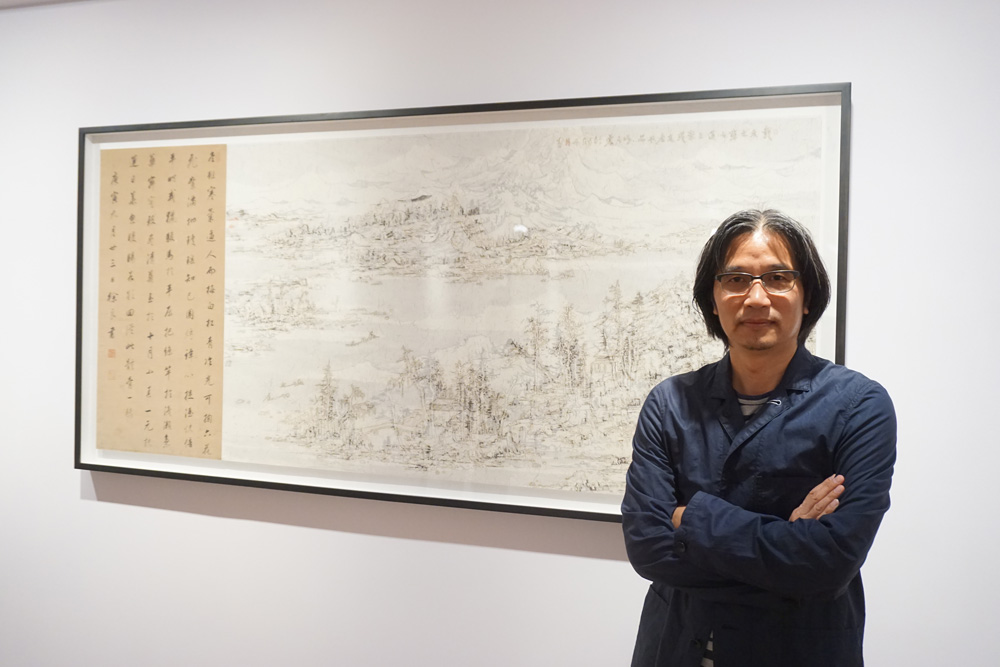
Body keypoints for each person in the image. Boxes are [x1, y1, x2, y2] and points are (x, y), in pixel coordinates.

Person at [621, 209, 896, 667]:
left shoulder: (859, 406)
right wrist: (789, 546)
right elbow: (648, 548)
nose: (755, 298)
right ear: (713, 299)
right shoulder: (670, 402)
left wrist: (690, 518)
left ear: (807, 296)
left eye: (777, 278)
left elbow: (831, 564)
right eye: (735, 280)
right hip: (674, 647)